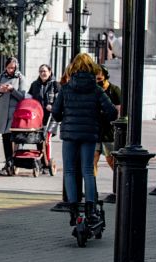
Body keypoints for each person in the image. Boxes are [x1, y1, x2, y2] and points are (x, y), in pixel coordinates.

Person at [51, 53, 117, 226]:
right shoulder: (96, 89)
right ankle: (90, 209)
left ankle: (73, 211)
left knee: (70, 171)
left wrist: (66, 116)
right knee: (88, 170)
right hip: (89, 134)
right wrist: (98, 115)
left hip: (70, 135)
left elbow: (56, 114)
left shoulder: (65, 89)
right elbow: (112, 112)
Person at [0, 57, 28, 174]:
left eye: (12, 68)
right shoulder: (1, 76)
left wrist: (12, 90)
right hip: (3, 111)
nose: (10, 70)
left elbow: (23, 96)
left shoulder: (20, 78)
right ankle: (8, 161)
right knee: (5, 137)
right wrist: (0, 91)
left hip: (15, 112)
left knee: (14, 137)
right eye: (8, 68)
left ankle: (13, 161)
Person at [93, 65, 122, 175]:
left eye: (100, 74)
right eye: (95, 74)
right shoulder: (93, 90)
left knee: (111, 160)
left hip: (109, 131)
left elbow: (119, 110)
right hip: (95, 130)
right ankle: (92, 189)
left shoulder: (114, 90)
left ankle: (119, 182)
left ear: (105, 75)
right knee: (92, 160)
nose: (97, 76)